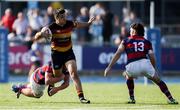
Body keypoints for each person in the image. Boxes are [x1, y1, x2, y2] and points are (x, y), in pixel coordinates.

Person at [104, 23, 178, 104]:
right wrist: (152, 69)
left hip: (132, 65)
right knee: (158, 81)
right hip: (145, 64)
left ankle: (132, 98)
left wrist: (109, 67)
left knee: (127, 76)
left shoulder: (125, 40)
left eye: (131, 29)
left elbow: (118, 53)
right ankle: (171, 99)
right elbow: (152, 57)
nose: (130, 30)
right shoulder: (146, 42)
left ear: (134, 31)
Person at [34, 8, 95, 104]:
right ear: (57, 17)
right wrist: (41, 34)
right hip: (56, 55)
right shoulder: (51, 28)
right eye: (62, 17)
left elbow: (78, 24)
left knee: (74, 74)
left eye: (65, 16)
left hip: (68, 53)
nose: (65, 18)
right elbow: (36, 37)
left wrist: (88, 23)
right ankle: (51, 86)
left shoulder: (69, 23)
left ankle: (81, 97)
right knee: (58, 76)